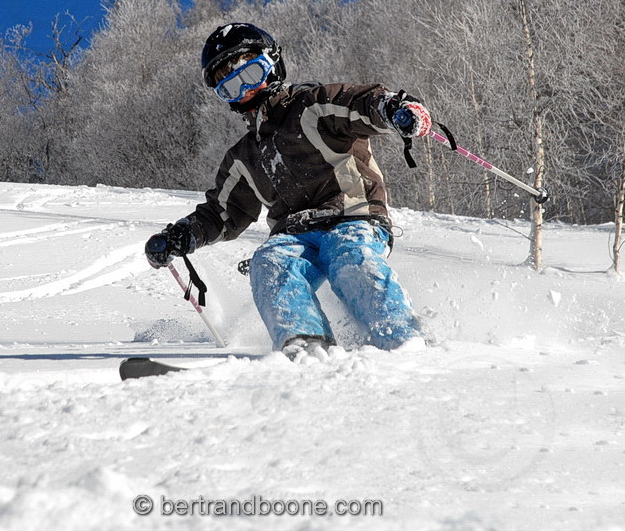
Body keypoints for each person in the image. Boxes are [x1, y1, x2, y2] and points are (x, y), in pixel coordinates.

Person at [144, 23, 433, 359]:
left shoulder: (313, 106)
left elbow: (358, 103)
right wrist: (182, 235)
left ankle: (401, 340)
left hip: (352, 215)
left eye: (251, 73)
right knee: (269, 262)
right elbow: (222, 213)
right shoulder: (244, 156)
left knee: (349, 257)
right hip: (295, 234)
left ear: (274, 64)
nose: (247, 90)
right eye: (232, 86)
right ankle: (307, 347)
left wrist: (392, 108)